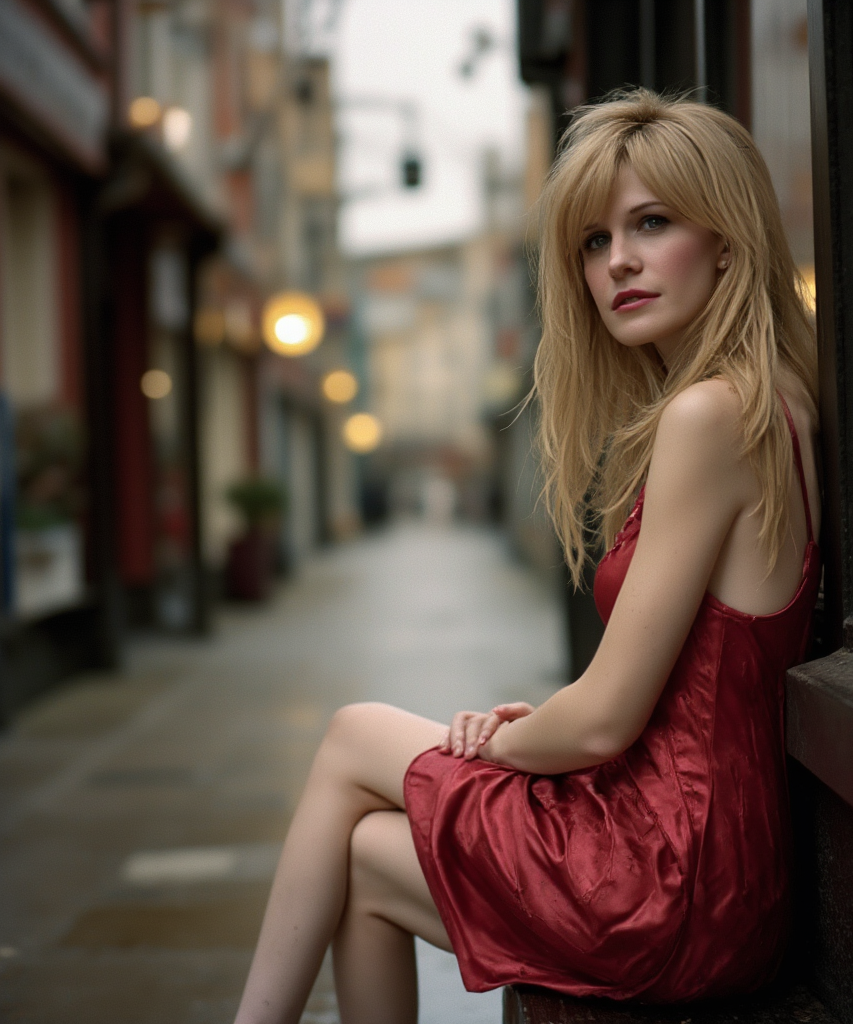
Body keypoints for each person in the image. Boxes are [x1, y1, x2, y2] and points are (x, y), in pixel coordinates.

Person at [233, 89, 820, 1024]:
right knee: (365, 858)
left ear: (727, 238)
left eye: (651, 223)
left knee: (351, 735)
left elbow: (600, 727)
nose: (618, 261)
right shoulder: (774, 401)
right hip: (722, 873)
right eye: (594, 241)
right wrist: (541, 723)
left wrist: (501, 745)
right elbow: (664, 687)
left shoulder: (712, 415)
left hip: (667, 873)